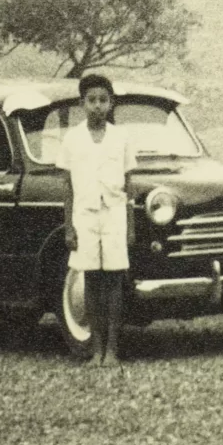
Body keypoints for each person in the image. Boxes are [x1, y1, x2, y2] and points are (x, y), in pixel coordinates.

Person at [56, 74, 137, 366]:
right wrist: (69, 227)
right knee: (90, 280)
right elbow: (67, 186)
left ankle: (113, 350)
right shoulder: (72, 139)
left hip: (114, 214)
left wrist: (129, 225)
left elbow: (129, 185)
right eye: (92, 100)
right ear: (82, 104)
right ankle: (95, 350)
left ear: (111, 103)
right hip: (84, 217)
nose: (97, 106)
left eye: (103, 100)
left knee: (114, 282)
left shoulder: (121, 138)